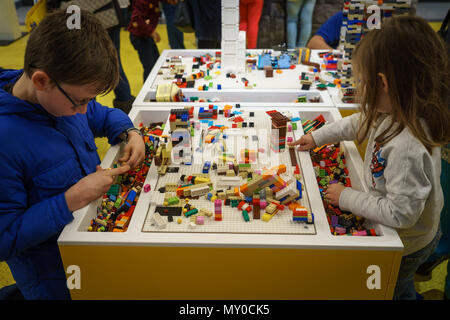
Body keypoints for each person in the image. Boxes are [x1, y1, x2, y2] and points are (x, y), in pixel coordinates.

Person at [289, 15, 450, 300]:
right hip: (409, 226)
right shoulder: (396, 108)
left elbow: (400, 214)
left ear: (383, 83)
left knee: (393, 290)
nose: (358, 87)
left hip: (407, 242)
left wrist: (345, 196)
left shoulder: (407, 148)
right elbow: (357, 123)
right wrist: (317, 137)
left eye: (360, 80)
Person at [0, 9, 145, 299]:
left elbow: (98, 113)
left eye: (89, 99)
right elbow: (5, 238)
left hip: (90, 245)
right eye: (80, 101)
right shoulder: (6, 140)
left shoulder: (62, 94)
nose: (83, 110)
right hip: (53, 276)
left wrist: (130, 132)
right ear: (41, 81)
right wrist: (70, 199)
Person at [46, 0, 135, 114]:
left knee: (85, 67)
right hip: (107, 13)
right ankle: (126, 106)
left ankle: (91, 112)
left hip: (78, 14)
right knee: (113, 62)